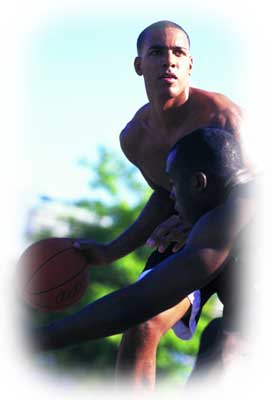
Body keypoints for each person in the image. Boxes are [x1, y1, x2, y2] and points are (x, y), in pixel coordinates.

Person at [72, 20, 250, 388]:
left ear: (189, 65)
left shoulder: (222, 116)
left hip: (244, 242)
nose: (168, 61)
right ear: (139, 65)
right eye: (157, 52)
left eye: (178, 53)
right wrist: (109, 252)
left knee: (225, 348)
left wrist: (208, 221)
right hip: (186, 245)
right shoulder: (135, 139)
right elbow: (164, 198)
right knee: (140, 324)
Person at [32, 128, 255, 387]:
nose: (171, 197)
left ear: (198, 183)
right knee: (223, 336)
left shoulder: (232, 216)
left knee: (228, 347)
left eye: (173, 185)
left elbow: (136, 303)